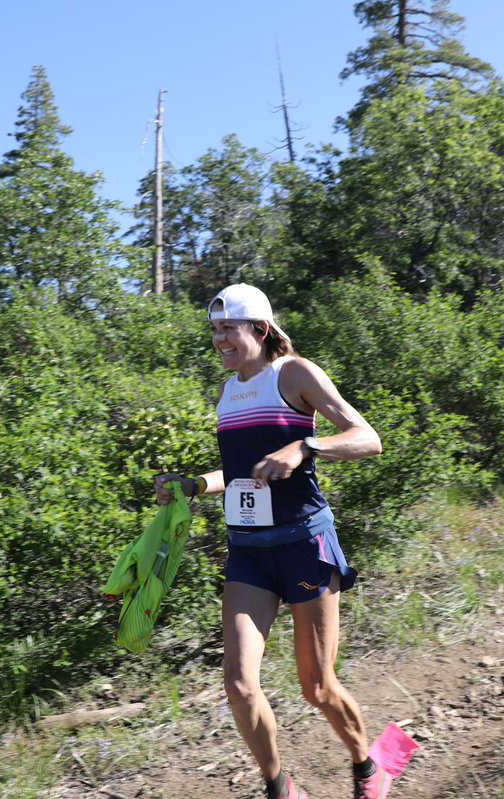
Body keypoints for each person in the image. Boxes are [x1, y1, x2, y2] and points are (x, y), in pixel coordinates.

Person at [155, 283, 388, 799]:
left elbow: (367, 438)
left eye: (228, 329)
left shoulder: (294, 374)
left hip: (304, 542)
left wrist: (304, 446)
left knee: (317, 688)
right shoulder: (228, 392)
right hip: (250, 553)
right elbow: (242, 473)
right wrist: (195, 485)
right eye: (214, 331)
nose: (219, 340)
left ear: (259, 329)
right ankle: (280, 787)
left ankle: (367, 767)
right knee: (239, 685)